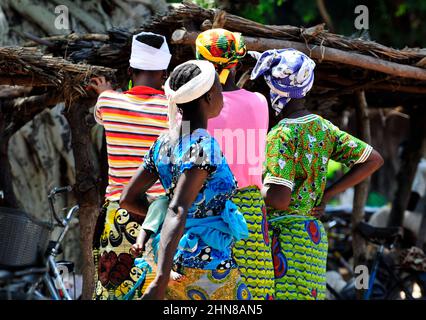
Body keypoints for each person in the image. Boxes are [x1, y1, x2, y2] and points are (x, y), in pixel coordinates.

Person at [250, 48, 384, 300]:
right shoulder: (322, 127)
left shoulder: (281, 134)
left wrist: (249, 185)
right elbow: (373, 159)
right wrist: (326, 195)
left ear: (273, 88)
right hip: (312, 237)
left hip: (284, 240)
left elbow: (279, 199)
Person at [119, 60, 251, 300]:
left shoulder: (163, 143)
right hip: (207, 267)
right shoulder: (203, 146)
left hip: (174, 261)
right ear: (209, 97)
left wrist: (169, 218)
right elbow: (178, 208)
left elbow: (127, 198)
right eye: (219, 89)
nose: (222, 95)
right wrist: (160, 279)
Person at [89, 31, 171, 300]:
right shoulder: (174, 111)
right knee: (158, 289)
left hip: (119, 212)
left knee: (114, 289)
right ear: (164, 75)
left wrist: (105, 90)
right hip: (159, 216)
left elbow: (102, 112)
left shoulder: (109, 102)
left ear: (129, 71)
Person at [195, 28, 274, 299]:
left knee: (207, 292)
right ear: (236, 62)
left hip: (209, 211)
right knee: (255, 290)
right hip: (251, 211)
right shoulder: (259, 101)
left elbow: (185, 158)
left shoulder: (195, 109)